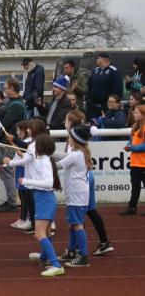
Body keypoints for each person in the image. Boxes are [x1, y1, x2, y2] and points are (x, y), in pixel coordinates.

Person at [60, 110, 114, 256]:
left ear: (70, 122)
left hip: (81, 180)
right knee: (89, 210)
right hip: (87, 176)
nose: (64, 123)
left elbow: (65, 160)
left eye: (65, 120)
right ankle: (103, 242)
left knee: (79, 216)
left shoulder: (74, 139)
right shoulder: (79, 137)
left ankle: (78, 249)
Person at [17, 134, 65, 277]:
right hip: (44, 199)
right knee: (47, 232)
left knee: (39, 233)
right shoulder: (43, 160)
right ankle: (44, 257)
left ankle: (56, 264)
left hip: (44, 199)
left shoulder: (44, 162)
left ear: (40, 147)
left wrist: (26, 181)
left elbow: (48, 183)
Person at [55, 125, 92, 268]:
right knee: (73, 225)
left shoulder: (76, 155)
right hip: (77, 194)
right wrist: (46, 151)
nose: (68, 139)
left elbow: (58, 165)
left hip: (77, 195)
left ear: (75, 140)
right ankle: (71, 251)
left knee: (77, 225)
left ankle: (83, 256)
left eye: (70, 136)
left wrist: (41, 158)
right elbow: (61, 156)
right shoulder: (79, 152)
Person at [0, 78, 27, 212]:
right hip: (8, 142)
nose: (4, 90)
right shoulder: (13, 103)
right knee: (6, 171)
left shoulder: (16, 105)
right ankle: (11, 200)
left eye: (6, 87)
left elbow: (5, 123)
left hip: (9, 142)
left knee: (6, 171)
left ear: (12, 89)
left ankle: (12, 201)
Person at [8, 120, 33, 231]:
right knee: (22, 195)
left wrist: (15, 146)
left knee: (25, 196)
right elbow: (17, 156)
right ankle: (22, 218)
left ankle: (28, 218)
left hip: (24, 170)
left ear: (23, 130)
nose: (17, 132)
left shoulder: (28, 142)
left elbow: (23, 156)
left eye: (18, 130)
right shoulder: (23, 141)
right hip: (19, 168)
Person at [121, 105, 145, 215]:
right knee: (135, 187)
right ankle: (132, 207)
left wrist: (131, 148)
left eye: (136, 113)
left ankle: (132, 207)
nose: (133, 114)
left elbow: (143, 146)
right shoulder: (135, 126)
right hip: (135, 163)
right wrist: (128, 146)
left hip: (143, 164)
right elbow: (131, 142)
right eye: (134, 112)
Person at [86, 53, 123, 120]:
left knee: (105, 124)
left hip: (106, 106)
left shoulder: (114, 71)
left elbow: (118, 89)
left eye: (97, 58)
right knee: (93, 124)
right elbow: (89, 86)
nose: (96, 60)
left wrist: (112, 103)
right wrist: (89, 100)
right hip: (93, 106)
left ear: (102, 59)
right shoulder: (95, 70)